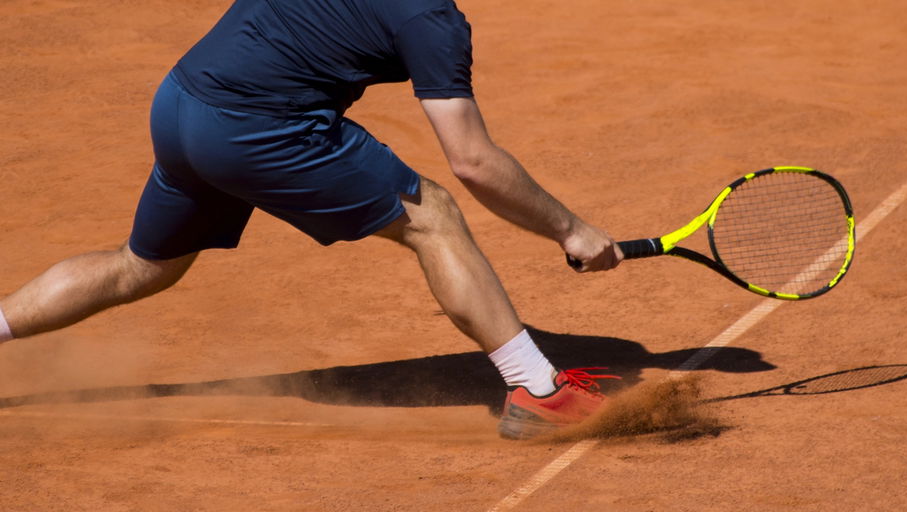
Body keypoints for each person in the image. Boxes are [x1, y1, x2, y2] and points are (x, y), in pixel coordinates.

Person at [0, 0, 622, 439]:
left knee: (139, 267)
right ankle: (539, 391)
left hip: (182, 103)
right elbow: (474, 161)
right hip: (257, 128)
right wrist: (571, 229)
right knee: (433, 216)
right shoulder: (430, 19)